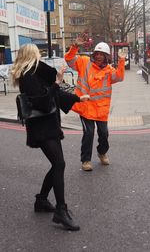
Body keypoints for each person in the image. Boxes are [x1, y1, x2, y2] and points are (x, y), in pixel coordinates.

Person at [11, 43, 90, 231]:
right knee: (59, 164)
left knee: (57, 164)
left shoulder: (37, 73)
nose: (40, 56)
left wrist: (78, 98)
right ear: (31, 55)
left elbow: (53, 96)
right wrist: (57, 83)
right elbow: (44, 102)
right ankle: (61, 211)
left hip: (49, 126)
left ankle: (41, 201)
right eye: (38, 53)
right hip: (41, 127)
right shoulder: (28, 77)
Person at [64, 33, 127, 171]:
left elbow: (120, 77)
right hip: (85, 107)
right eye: (97, 53)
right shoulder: (84, 62)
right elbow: (68, 59)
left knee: (104, 134)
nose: (98, 56)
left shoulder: (109, 71)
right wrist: (74, 46)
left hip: (101, 110)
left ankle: (102, 152)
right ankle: (86, 160)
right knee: (89, 133)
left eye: (102, 54)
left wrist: (122, 60)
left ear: (107, 57)